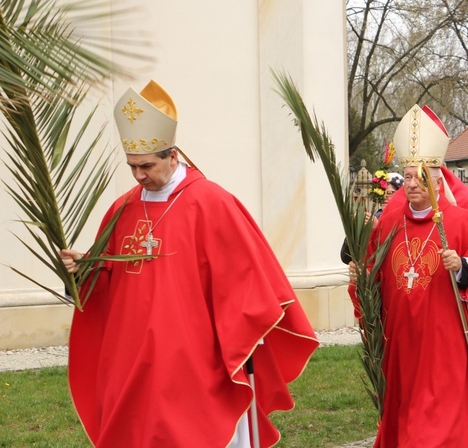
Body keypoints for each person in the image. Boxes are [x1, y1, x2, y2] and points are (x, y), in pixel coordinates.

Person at [59, 80, 318, 447]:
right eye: (132, 166)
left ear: (173, 156)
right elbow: (111, 287)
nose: (139, 176)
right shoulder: (122, 209)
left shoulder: (211, 203)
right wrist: (88, 267)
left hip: (194, 363)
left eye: (146, 165)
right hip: (133, 365)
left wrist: (244, 333)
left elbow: (246, 281)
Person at [350, 105, 468, 447]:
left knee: (436, 433)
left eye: (421, 177)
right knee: (405, 428)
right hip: (401, 349)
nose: (413, 184)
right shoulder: (389, 222)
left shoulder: (460, 221)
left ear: (438, 180)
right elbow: (374, 284)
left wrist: (463, 267)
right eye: (409, 176)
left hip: (445, 345)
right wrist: (360, 277)